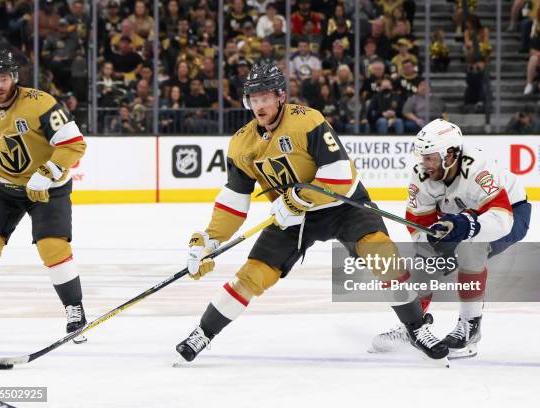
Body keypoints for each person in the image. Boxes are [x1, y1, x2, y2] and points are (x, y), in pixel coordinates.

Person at [174, 63, 449, 365]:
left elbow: (340, 176)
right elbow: (234, 200)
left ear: (280, 96)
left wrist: (296, 197)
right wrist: (209, 240)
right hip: (294, 219)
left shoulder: (307, 121)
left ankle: (416, 329)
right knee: (251, 276)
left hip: (343, 207)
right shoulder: (242, 143)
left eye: (265, 97)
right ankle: (204, 332)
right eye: (253, 99)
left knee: (382, 255)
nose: (259, 105)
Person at [369, 118, 531, 359]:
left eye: (430, 157)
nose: (424, 164)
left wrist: (466, 225)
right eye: (422, 157)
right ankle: (414, 325)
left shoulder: (479, 168)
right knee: (425, 259)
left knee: (470, 250)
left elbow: (502, 220)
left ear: (451, 154)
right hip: (459, 216)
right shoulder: (421, 175)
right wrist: (432, 248)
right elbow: (419, 224)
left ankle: (470, 329)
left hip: (510, 212)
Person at [0, 50, 88, 342]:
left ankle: (75, 309)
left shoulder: (41, 103)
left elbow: (74, 144)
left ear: (14, 78)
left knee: (52, 247)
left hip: (49, 189)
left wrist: (47, 172)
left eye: (4, 77)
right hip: (4, 188)